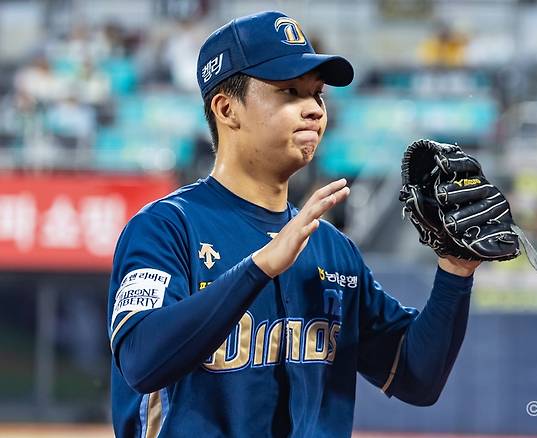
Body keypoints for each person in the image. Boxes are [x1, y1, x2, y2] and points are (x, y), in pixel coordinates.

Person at [108, 10, 479, 438]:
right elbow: (140, 360)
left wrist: (455, 272)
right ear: (227, 109)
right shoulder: (166, 228)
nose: (313, 110)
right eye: (288, 92)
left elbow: (416, 378)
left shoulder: (331, 248)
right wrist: (258, 268)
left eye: (317, 94)